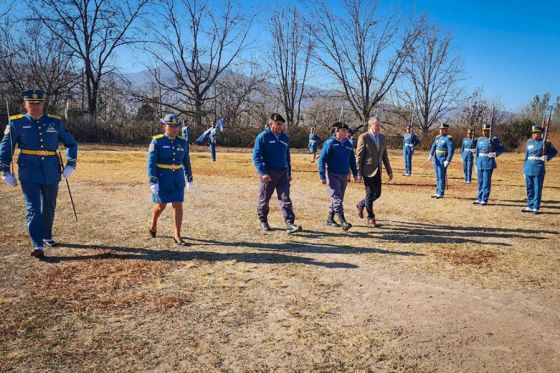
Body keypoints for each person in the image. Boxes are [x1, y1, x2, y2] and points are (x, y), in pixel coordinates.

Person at [0, 89, 78, 258]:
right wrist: (4, 170)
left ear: (43, 104)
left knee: (49, 206)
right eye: (31, 104)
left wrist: (71, 163)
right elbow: (6, 148)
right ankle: (37, 245)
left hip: (51, 170)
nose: (35, 107)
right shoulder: (16, 123)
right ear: (25, 105)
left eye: (38, 103)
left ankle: (46, 236)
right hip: (29, 171)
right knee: (33, 208)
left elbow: (71, 144)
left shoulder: (55, 122)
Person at [147, 114, 193, 246]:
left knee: (178, 205)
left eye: (176, 126)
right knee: (161, 205)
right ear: (164, 126)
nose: (174, 129)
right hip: (162, 179)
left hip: (177, 179)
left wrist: (189, 177)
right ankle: (153, 222)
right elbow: (151, 163)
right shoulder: (157, 141)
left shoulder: (183, 142)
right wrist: (153, 180)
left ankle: (177, 235)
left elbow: (186, 161)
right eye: (170, 126)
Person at [252, 113, 301, 233]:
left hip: (283, 173)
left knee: (285, 198)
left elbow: (287, 157)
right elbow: (256, 157)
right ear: (271, 124)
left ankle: (289, 223)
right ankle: (263, 221)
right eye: (278, 124)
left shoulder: (285, 138)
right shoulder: (263, 137)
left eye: (281, 124)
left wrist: (289, 173)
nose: (280, 126)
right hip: (268, 173)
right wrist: (262, 173)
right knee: (264, 199)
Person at [318, 122, 360, 230]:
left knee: (339, 198)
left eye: (346, 130)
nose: (346, 132)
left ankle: (330, 218)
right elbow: (322, 160)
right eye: (343, 130)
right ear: (337, 131)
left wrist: (356, 174)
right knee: (337, 197)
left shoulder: (348, 144)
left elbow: (352, 160)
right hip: (332, 174)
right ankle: (343, 221)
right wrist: (322, 175)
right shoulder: (330, 143)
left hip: (344, 175)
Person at [355, 117, 393, 227]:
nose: (379, 127)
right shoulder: (364, 137)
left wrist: (389, 171)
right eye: (377, 125)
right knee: (370, 193)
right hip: (367, 170)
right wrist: (358, 172)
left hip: (378, 170)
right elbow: (359, 156)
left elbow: (384, 156)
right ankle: (371, 218)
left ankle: (361, 204)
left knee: (377, 194)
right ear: (371, 125)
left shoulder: (382, 138)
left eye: (379, 125)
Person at [522, 125, 557, 214]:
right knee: (529, 188)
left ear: (540, 134)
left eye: (536, 133)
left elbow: (554, 152)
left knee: (537, 188)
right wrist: (524, 168)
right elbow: (526, 156)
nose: (534, 135)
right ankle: (530, 205)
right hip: (528, 167)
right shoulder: (529, 142)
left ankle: (535, 207)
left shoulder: (545, 142)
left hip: (538, 168)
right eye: (533, 133)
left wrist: (547, 157)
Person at [473, 124, 505, 205]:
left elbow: (502, 148)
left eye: (486, 131)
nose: (485, 132)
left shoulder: (494, 140)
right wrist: (476, 164)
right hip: (480, 162)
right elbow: (477, 152)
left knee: (486, 181)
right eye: (483, 131)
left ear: (490, 131)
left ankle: (484, 198)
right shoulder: (480, 140)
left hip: (488, 163)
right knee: (480, 181)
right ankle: (479, 198)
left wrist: (495, 154)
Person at [428, 123, 454, 198]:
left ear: (446, 130)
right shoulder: (438, 138)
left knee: (441, 176)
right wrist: (431, 154)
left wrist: (448, 160)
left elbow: (451, 151)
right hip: (436, 159)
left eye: (443, 129)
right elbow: (434, 146)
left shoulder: (448, 139)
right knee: (437, 176)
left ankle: (441, 192)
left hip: (443, 158)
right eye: (440, 129)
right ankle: (437, 191)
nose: (441, 131)